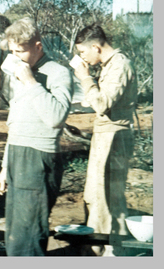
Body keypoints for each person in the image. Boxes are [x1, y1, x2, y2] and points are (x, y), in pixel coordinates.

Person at [0, 17, 73, 256]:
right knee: (16, 232)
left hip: (38, 157)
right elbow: (16, 125)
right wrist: (4, 167)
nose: (15, 57)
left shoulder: (58, 73)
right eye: (12, 52)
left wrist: (30, 82)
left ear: (38, 46)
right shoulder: (23, 72)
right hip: (17, 154)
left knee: (30, 234)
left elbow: (56, 118)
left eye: (20, 51)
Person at [73, 24, 137, 256]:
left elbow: (102, 104)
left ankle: (113, 251)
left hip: (114, 137)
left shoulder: (119, 65)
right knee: (96, 195)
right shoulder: (110, 65)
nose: (82, 58)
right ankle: (101, 246)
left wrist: (84, 78)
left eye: (82, 53)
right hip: (105, 135)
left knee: (108, 197)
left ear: (96, 47)